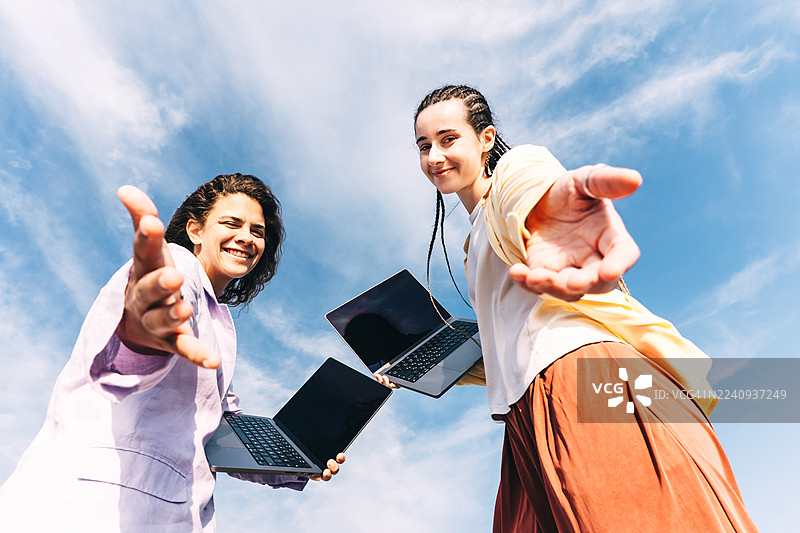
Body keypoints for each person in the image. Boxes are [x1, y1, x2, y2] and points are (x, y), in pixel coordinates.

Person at [394, 85, 758, 532]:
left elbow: (534, 196)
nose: (434, 156)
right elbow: (513, 343)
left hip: (585, 382)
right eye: (424, 146)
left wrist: (555, 218)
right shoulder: (474, 244)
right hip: (527, 409)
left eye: (448, 139)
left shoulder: (516, 169)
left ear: (486, 138)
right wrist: (415, 366)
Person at [0, 174, 345, 532]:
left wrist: (297, 456)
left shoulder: (218, 320)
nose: (247, 237)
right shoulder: (176, 267)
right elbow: (126, 356)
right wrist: (145, 333)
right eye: (232, 223)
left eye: (258, 232)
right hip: (93, 511)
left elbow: (220, 431)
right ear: (195, 230)